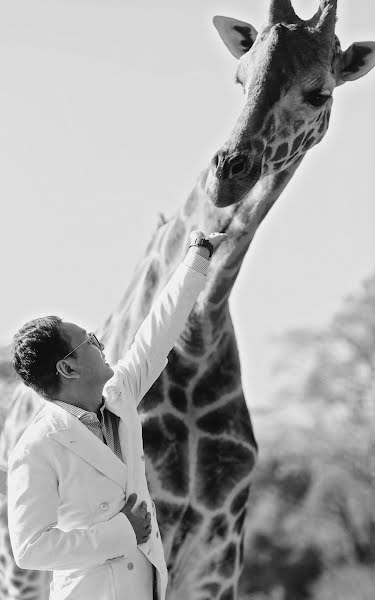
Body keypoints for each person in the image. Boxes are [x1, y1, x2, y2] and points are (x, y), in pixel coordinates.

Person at [7, 230, 227, 600]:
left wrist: (198, 257)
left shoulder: (118, 398)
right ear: (68, 369)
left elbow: (156, 336)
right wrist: (122, 532)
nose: (102, 344)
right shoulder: (35, 448)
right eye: (90, 340)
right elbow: (30, 549)